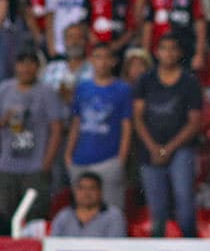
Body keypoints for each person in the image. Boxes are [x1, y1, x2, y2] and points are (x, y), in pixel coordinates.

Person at [132, 33, 202, 237]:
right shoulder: (145, 80)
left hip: (181, 149)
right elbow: (138, 117)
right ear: (157, 52)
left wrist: (168, 148)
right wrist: (154, 147)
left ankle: (190, 245)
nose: (168, 53)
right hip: (150, 149)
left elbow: (194, 121)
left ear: (179, 53)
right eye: (164, 49)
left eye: (173, 49)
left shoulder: (189, 82)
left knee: (185, 204)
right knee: (157, 208)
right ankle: (158, 249)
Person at [64, 43, 132, 209]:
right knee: (82, 210)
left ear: (113, 61)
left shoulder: (123, 89)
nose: (102, 62)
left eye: (106, 57)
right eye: (97, 57)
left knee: (112, 210)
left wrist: (121, 160)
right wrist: (68, 155)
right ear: (91, 60)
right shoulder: (83, 87)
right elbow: (76, 122)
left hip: (109, 160)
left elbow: (127, 126)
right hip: (79, 160)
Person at [0, 47, 63, 226]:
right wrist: (5, 119)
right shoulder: (4, 89)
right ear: (16, 66)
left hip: (35, 166)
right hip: (7, 165)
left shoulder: (47, 92)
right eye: (22, 64)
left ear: (37, 67)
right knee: (4, 215)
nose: (26, 68)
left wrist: (46, 163)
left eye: (30, 64)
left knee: (35, 215)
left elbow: (56, 128)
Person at [50, 171, 126, 237]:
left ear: (100, 191)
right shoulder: (64, 216)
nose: (86, 193)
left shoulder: (113, 216)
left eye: (92, 188)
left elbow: (117, 246)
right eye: (81, 188)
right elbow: (53, 245)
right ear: (75, 191)